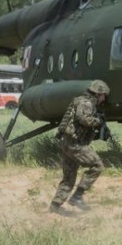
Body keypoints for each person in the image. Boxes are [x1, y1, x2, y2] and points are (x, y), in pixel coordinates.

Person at [49, 79, 110, 215]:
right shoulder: (86, 103)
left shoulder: (82, 101)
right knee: (97, 166)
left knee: (68, 179)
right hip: (74, 145)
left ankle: (54, 206)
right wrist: (98, 121)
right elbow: (83, 119)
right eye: (104, 96)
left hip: (68, 144)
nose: (104, 99)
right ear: (98, 93)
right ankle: (77, 196)